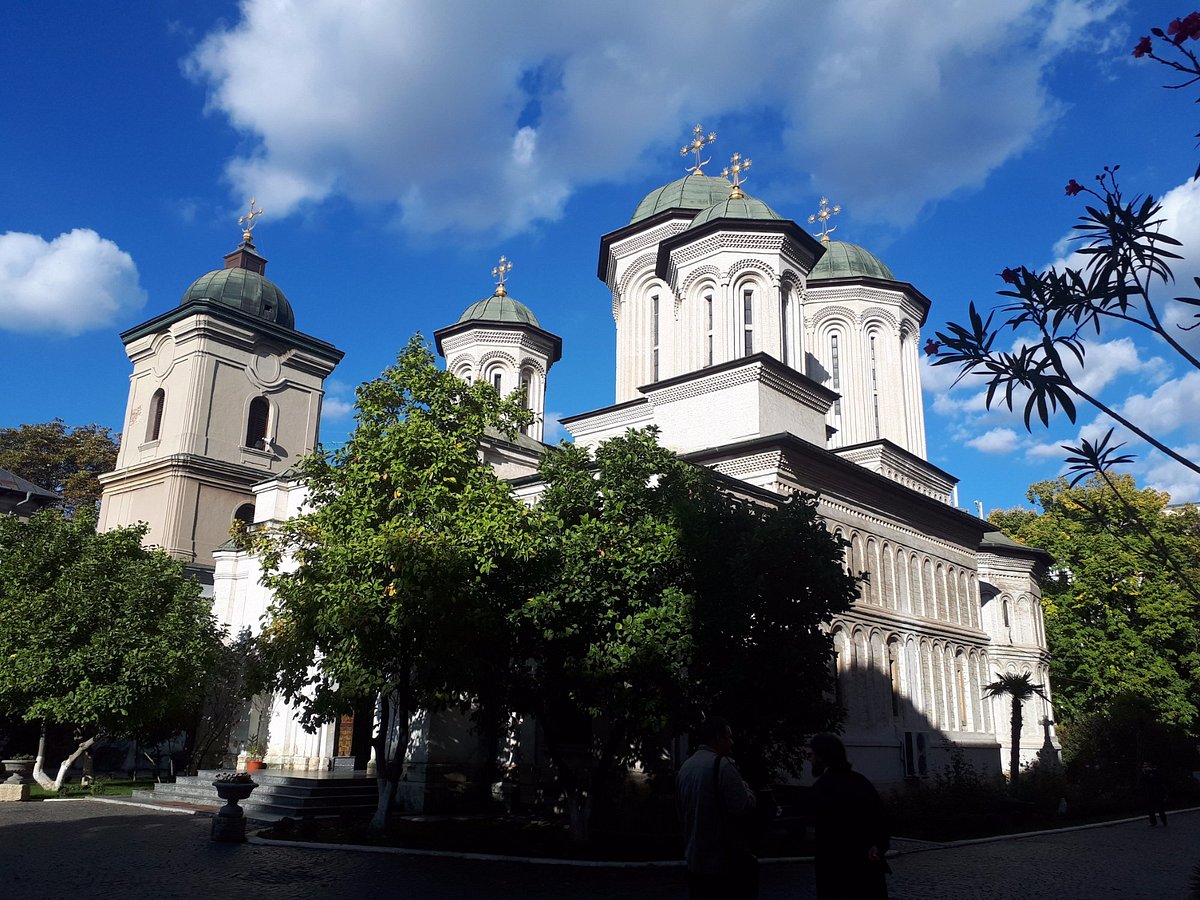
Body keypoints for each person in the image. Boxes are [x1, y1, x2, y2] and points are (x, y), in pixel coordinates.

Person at [676, 716, 758, 900]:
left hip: (694, 861)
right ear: (717, 738)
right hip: (720, 862)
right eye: (728, 737)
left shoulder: (685, 768)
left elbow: (680, 812)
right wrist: (746, 787)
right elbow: (743, 805)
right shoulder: (722, 765)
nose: (732, 742)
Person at [809, 733, 890, 900]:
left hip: (835, 872)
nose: (810, 759)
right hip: (866, 869)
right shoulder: (861, 782)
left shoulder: (822, 788)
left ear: (821, 758)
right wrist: (878, 845)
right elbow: (880, 819)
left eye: (812, 755)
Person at [1140, 762, 1167, 827]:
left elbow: (1159, 781)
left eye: (1146, 765)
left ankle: (1164, 821)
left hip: (1156, 793)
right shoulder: (1144, 773)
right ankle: (1154, 822)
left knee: (1160, 809)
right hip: (1150, 794)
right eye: (1144, 766)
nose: (1145, 767)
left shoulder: (1154, 772)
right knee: (1151, 810)